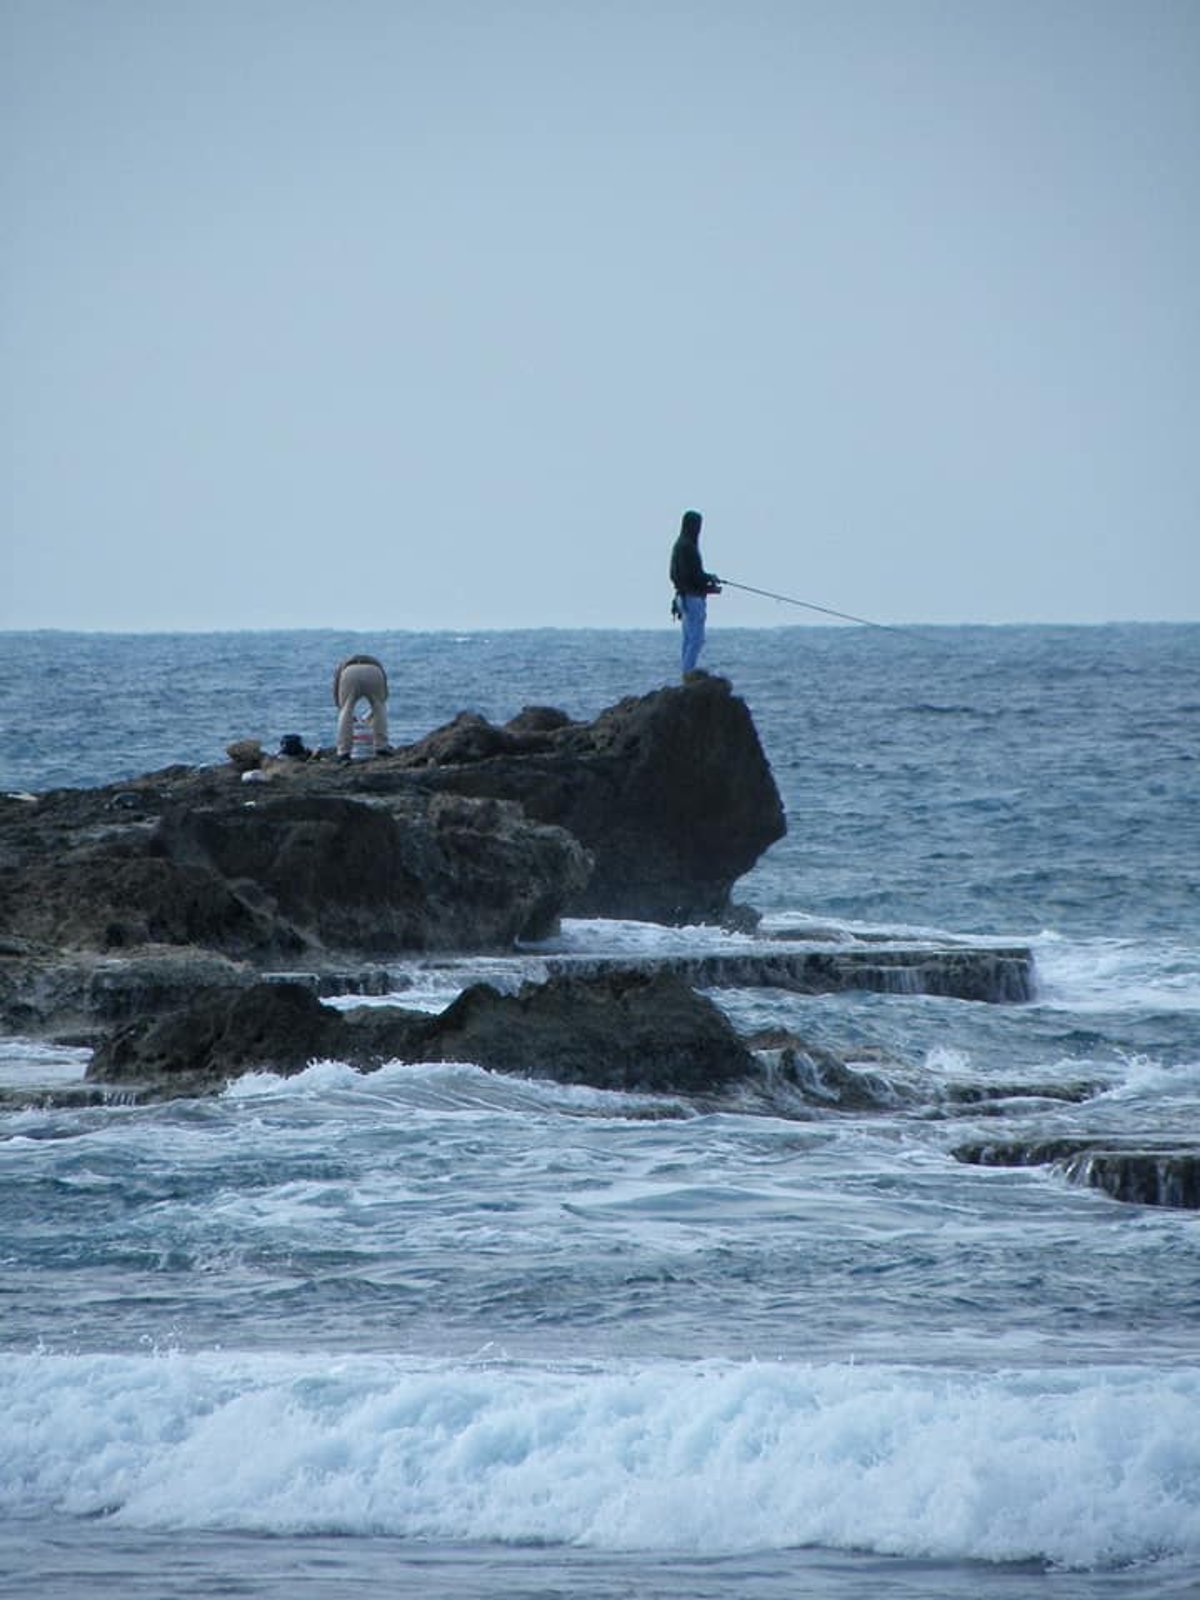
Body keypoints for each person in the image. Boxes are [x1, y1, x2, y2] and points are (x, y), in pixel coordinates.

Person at [669, 509, 721, 675]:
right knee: (696, 640)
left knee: (688, 639)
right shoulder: (688, 547)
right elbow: (693, 575)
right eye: (698, 525)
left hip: (682, 598)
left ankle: (686, 673)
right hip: (692, 599)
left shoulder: (679, 545)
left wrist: (707, 582)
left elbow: (678, 575)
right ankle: (688, 674)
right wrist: (709, 580)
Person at [332, 653, 392, 762]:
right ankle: (381, 746)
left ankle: (344, 751)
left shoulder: (342, 666)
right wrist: (372, 714)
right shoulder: (375, 661)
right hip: (375, 671)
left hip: (349, 672)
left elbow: (336, 689)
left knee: (346, 708)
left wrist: (340, 707)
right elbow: (385, 693)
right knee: (379, 707)